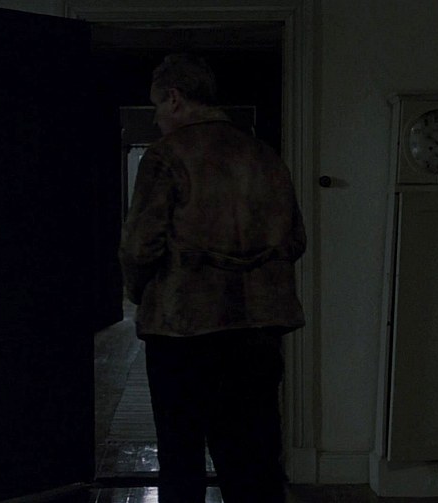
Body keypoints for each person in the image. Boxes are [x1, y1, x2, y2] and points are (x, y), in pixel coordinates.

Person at [118, 53, 306, 503]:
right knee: (253, 461)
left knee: (181, 458)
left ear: (175, 98)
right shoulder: (264, 156)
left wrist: (139, 291)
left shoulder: (166, 156)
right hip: (258, 327)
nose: (157, 118)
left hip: (184, 328)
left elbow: (139, 246)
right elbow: (296, 240)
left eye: (157, 106)